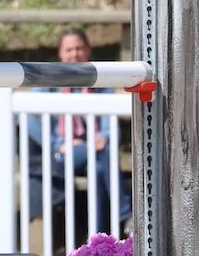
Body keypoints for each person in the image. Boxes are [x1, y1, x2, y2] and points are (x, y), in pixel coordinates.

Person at [23, 29, 129, 235]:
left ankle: (97, 236)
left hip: (94, 150)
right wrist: (57, 143)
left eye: (79, 48)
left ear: (88, 50)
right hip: (63, 153)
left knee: (99, 168)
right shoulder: (49, 82)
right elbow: (29, 116)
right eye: (69, 49)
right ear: (60, 54)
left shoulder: (101, 81)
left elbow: (110, 120)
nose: (75, 54)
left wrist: (104, 137)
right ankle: (124, 216)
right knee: (103, 156)